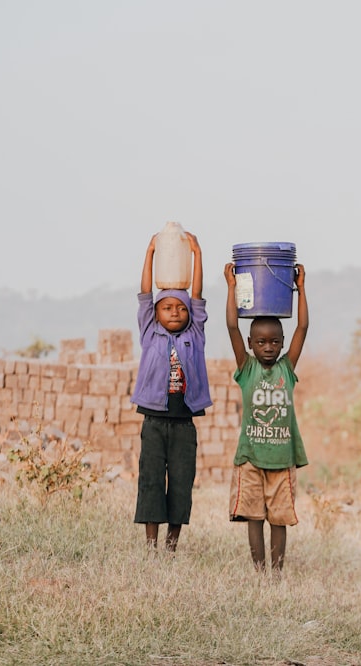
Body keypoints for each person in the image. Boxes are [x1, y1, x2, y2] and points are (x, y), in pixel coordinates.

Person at [224, 261, 308, 572]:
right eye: (261, 342)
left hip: (282, 459)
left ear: (283, 344)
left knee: (279, 518)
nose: (268, 348)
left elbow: (303, 327)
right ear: (250, 344)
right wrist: (232, 288)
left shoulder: (287, 368)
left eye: (274, 342)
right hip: (250, 458)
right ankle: (260, 572)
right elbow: (233, 326)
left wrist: (301, 288)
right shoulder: (247, 368)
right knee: (254, 517)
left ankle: (277, 573)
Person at [130, 231, 211, 552]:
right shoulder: (150, 332)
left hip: (184, 422)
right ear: (157, 314)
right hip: (153, 421)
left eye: (181, 307)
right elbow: (145, 294)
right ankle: (151, 544)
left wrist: (197, 254)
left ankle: (171, 545)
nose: (175, 312)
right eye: (168, 308)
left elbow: (199, 296)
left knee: (181, 482)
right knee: (151, 481)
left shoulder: (196, 332)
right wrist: (150, 252)